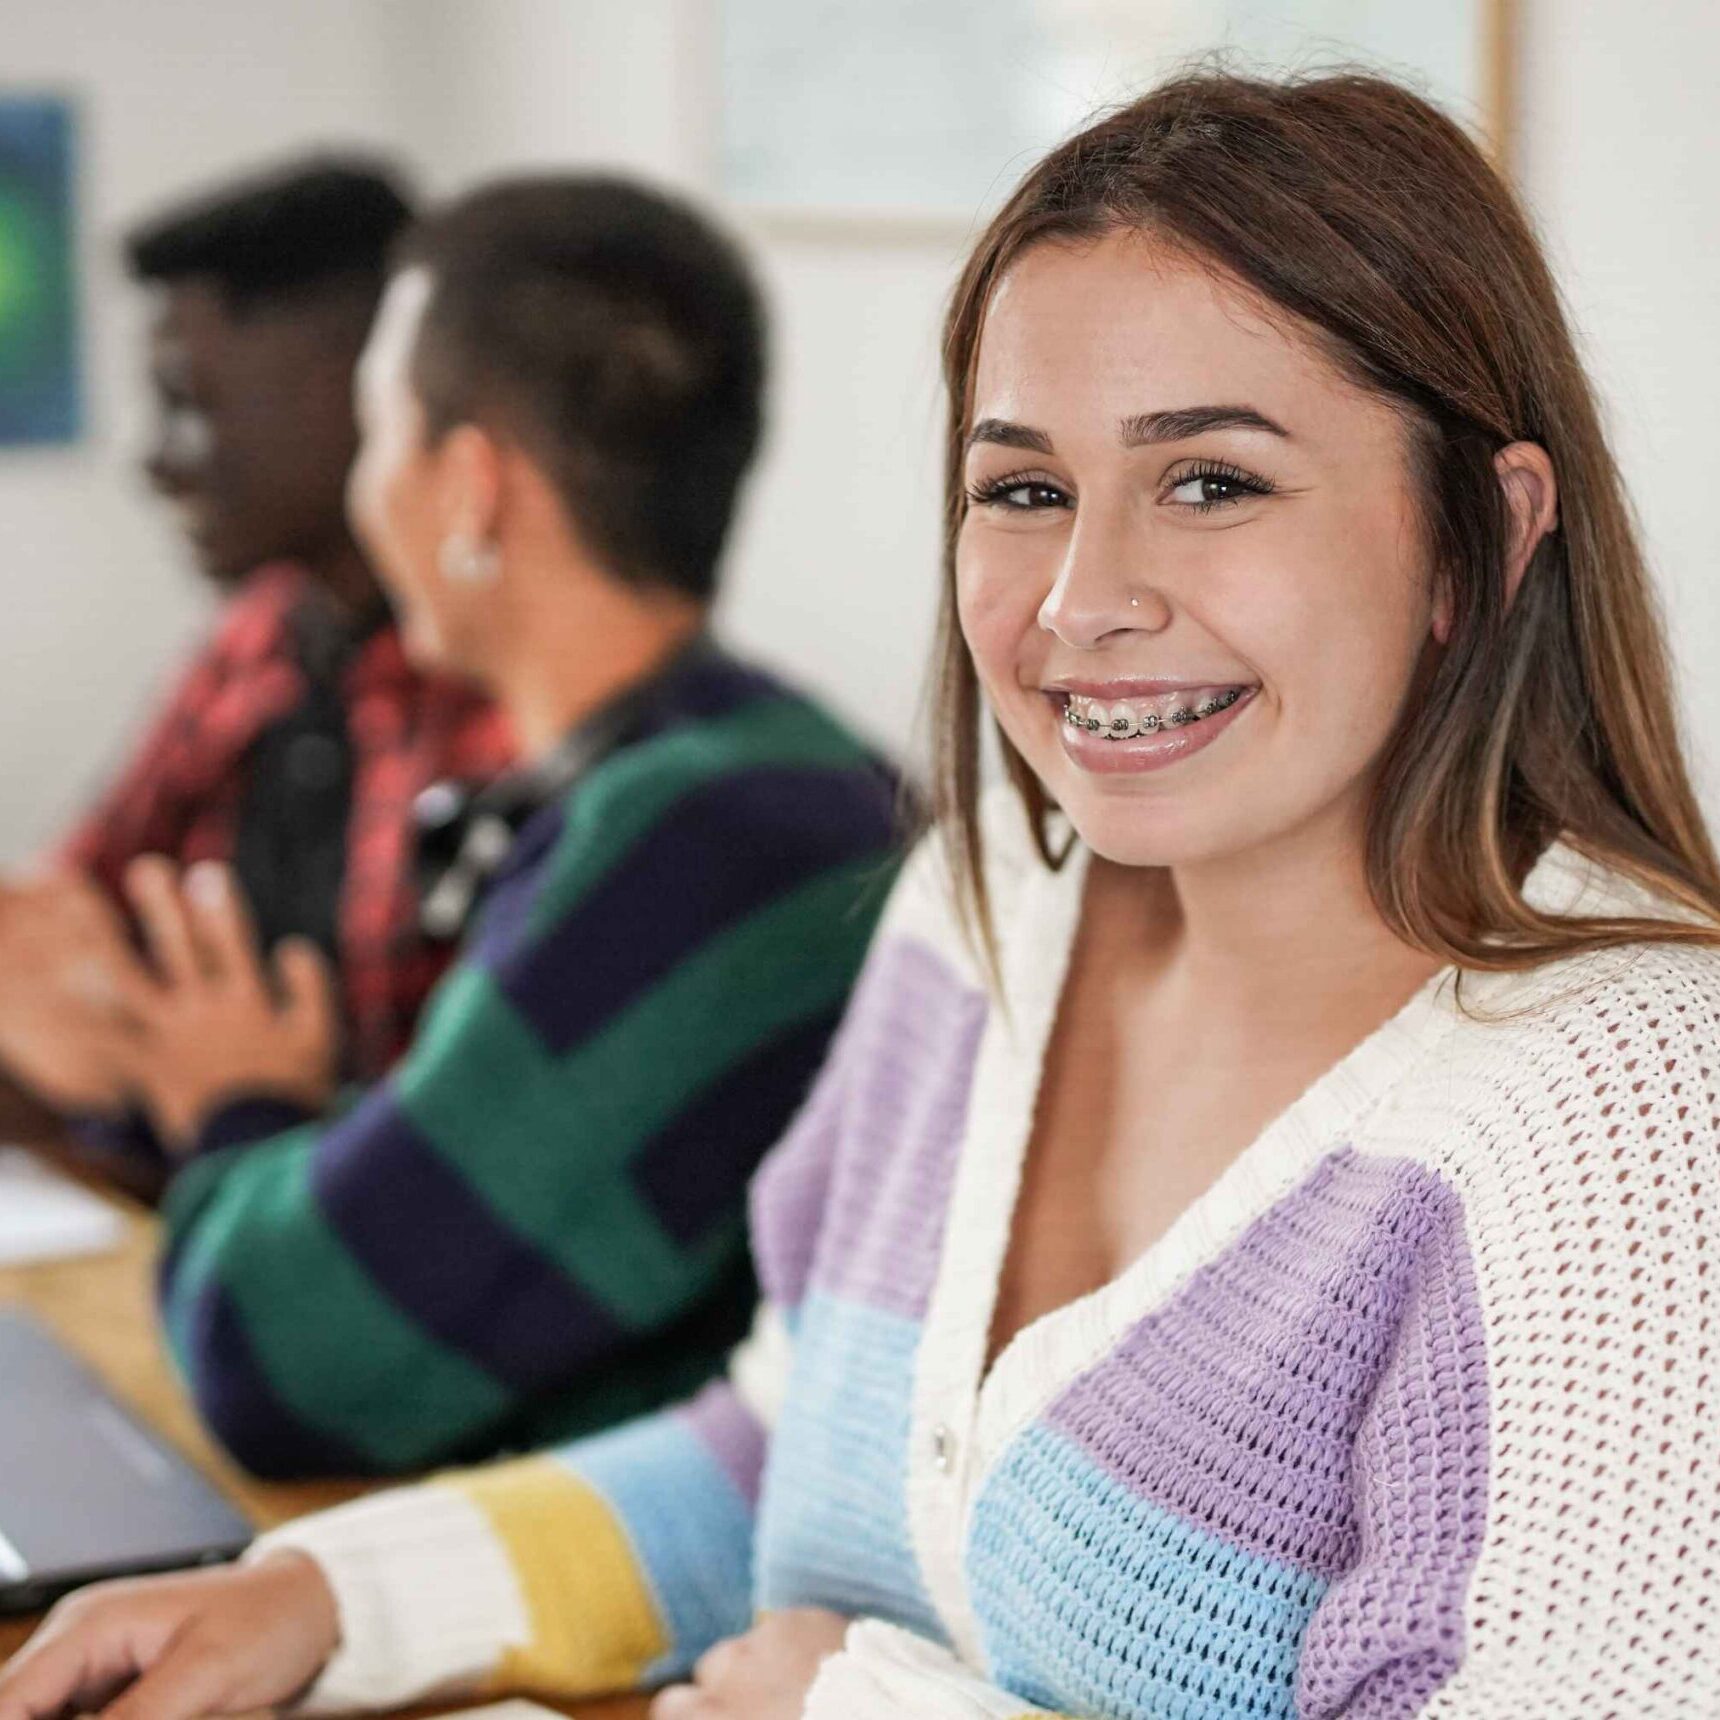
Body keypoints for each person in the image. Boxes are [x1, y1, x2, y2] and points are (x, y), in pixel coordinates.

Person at [5, 67, 1718, 1720]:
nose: (1079, 600)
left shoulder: (1625, 1112)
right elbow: (792, 1444)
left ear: (1486, 540)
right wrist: (328, 1600)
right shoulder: (981, 916)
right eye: (1023, 489)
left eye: (1213, 481)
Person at [0, 159, 514, 1158]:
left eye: (192, 402)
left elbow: (432, 1137)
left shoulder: (499, 707)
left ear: (360, 387)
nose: (159, 460)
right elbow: (63, 928)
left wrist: (137, 1068)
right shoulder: (264, 632)